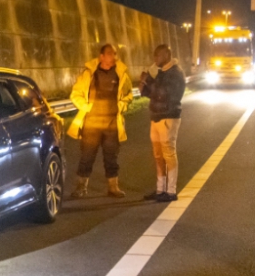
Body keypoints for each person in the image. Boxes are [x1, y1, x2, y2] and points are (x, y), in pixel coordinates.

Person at [67, 43, 133, 198]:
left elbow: (129, 95)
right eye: (110, 53)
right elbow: (75, 94)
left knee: (111, 156)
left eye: (115, 53)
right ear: (101, 56)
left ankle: (113, 187)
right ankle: (81, 187)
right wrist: (86, 107)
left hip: (112, 122)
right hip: (91, 122)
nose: (114, 56)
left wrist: (121, 106)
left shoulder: (121, 73)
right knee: (87, 156)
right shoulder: (89, 73)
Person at [139, 44, 186, 202]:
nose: (155, 59)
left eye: (158, 56)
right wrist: (143, 86)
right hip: (156, 116)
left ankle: (171, 191)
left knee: (168, 153)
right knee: (158, 154)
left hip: (168, 117)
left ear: (166, 55)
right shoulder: (162, 72)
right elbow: (152, 93)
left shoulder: (175, 73)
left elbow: (163, 93)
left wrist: (149, 81)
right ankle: (160, 189)